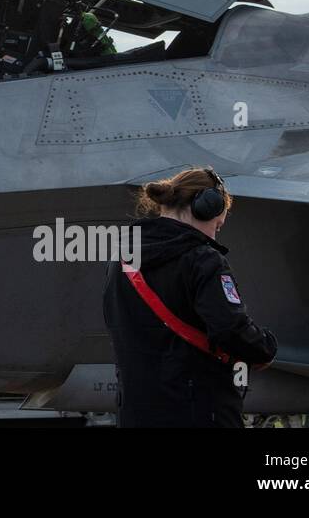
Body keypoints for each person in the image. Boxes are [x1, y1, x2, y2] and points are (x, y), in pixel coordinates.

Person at [102, 167, 277, 427]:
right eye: (217, 226)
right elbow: (229, 328)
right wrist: (265, 346)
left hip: (136, 414)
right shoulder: (202, 260)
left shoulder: (122, 262)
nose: (215, 235)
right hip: (199, 411)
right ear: (205, 207)